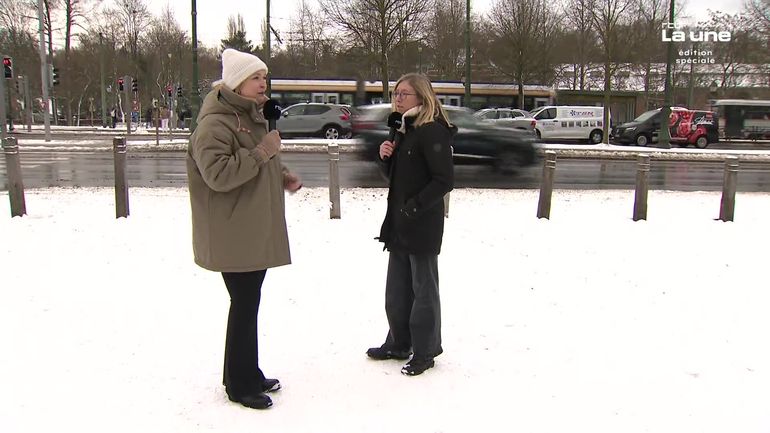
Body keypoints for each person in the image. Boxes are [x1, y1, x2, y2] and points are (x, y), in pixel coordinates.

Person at [186, 48, 302, 410]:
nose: (263, 83)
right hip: (232, 232)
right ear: (237, 82)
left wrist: (281, 176)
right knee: (244, 302)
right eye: (256, 77)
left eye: (264, 77)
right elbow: (219, 175)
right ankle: (239, 383)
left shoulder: (248, 118)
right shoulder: (214, 125)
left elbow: (257, 159)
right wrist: (264, 153)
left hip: (250, 229)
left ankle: (244, 372)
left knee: (247, 303)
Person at [367, 73, 455, 376]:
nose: (398, 98)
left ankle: (425, 350)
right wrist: (384, 158)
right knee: (398, 289)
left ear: (422, 97)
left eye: (404, 93)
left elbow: (444, 180)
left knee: (424, 289)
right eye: (395, 93)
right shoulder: (405, 130)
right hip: (399, 221)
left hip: (421, 223)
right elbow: (396, 179)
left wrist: (414, 207)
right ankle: (399, 342)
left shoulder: (432, 132)